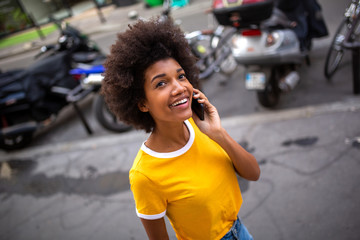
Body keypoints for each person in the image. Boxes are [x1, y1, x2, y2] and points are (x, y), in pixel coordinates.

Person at [102, 17, 260, 240]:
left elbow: (253, 173)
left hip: (241, 232)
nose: (179, 88)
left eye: (181, 76)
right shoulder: (145, 175)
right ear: (142, 103)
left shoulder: (202, 127)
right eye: (161, 83)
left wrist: (218, 134)